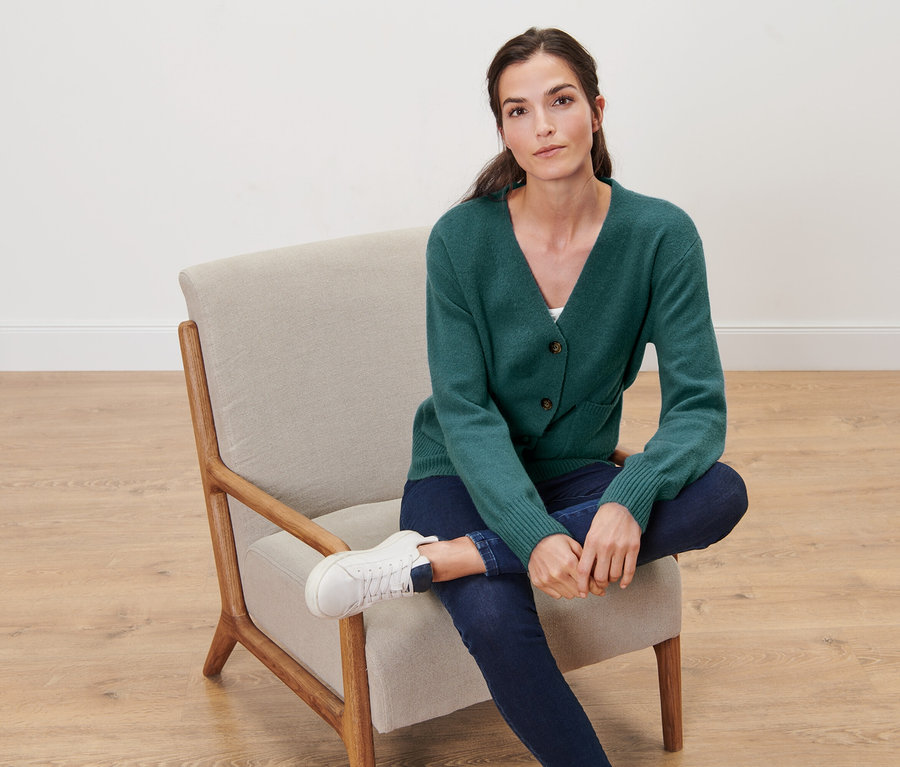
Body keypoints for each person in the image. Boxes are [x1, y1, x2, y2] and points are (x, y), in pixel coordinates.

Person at [305, 26, 748, 766]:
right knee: (496, 620)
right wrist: (532, 534)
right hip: (457, 472)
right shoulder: (460, 239)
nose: (542, 126)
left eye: (561, 100)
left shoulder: (661, 235)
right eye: (518, 110)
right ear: (504, 130)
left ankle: (434, 561)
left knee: (723, 491)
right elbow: (464, 409)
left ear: (597, 111)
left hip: (578, 472)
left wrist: (626, 496)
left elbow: (699, 407)